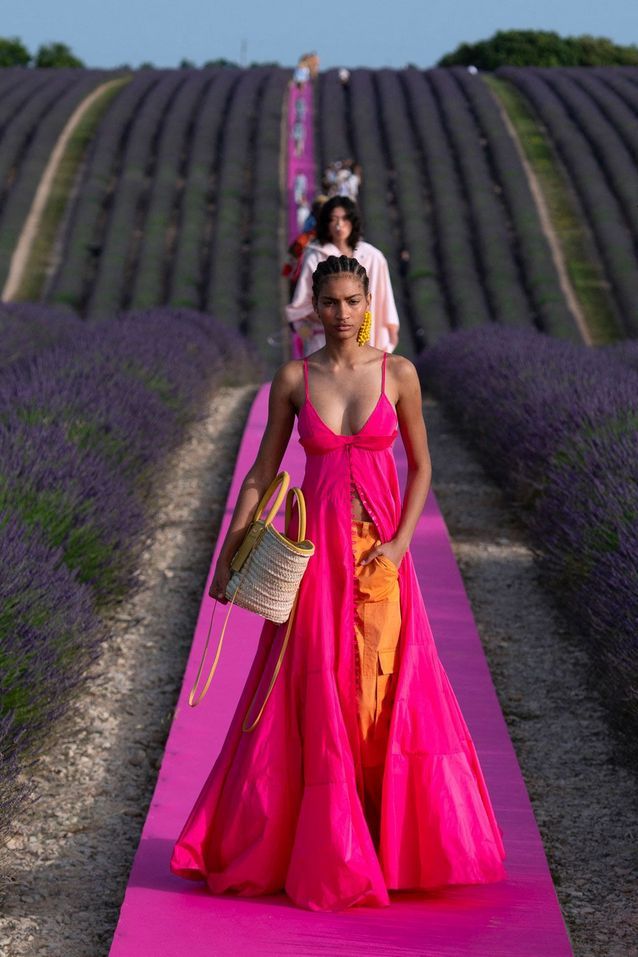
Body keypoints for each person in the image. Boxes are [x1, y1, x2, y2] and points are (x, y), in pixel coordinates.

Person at [170, 254, 507, 911]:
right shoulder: (294, 378)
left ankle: (387, 841)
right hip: (312, 561)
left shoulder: (399, 373)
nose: (344, 313)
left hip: (379, 555)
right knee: (310, 695)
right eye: (332, 302)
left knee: (381, 689)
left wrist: (403, 541)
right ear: (314, 307)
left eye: (354, 300)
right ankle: (318, 844)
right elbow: (261, 473)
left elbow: (421, 464)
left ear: (370, 302)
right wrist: (230, 553)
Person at [286, 196, 400, 356]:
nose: (339, 225)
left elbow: (383, 300)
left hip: (368, 338)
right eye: (334, 220)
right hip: (324, 341)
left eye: (345, 219)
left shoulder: (373, 257)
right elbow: (302, 303)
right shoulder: (316, 257)